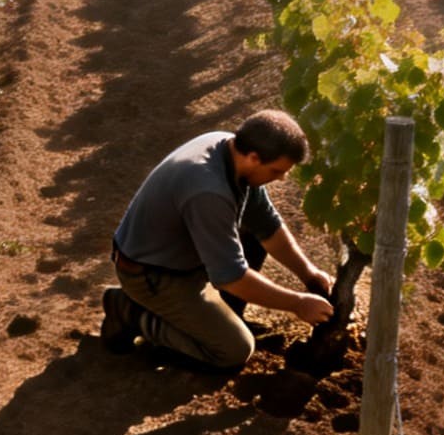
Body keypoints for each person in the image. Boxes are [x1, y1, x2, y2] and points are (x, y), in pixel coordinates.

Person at [101, 109, 336, 370]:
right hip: (153, 276)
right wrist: (298, 304)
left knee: (255, 234)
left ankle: (218, 318)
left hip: (178, 255)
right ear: (254, 158)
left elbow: (267, 225)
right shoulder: (208, 190)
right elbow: (231, 277)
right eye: (277, 170)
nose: (282, 178)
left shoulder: (228, 147)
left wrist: (309, 273)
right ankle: (129, 312)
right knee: (233, 350)